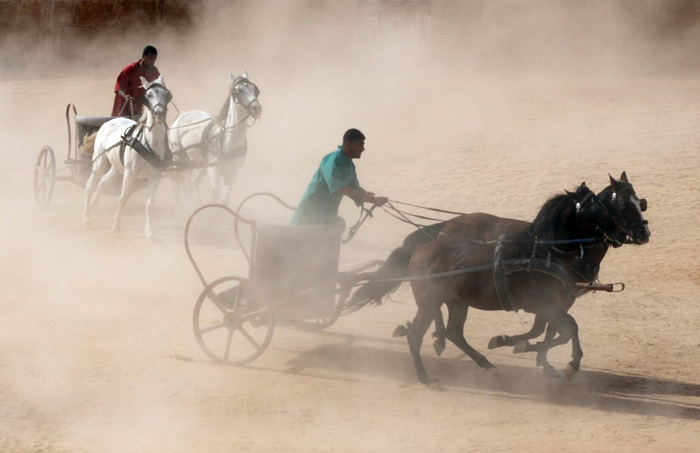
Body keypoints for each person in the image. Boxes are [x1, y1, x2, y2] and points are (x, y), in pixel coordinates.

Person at [290, 128, 388, 226]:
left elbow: (355, 190)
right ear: (348, 145)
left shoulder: (350, 165)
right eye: (359, 145)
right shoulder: (333, 160)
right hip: (308, 216)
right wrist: (362, 195)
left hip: (326, 219)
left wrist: (374, 200)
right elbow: (339, 188)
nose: (363, 149)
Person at [111, 45, 161, 118]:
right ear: (143, 56)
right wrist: (125, 96)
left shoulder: (154, 72)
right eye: (150, 58)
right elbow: (119, 88)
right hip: (124, 108)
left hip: (141, 110)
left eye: (154, 59)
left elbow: (159, 87)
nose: (152, 61)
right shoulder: (129, 69)